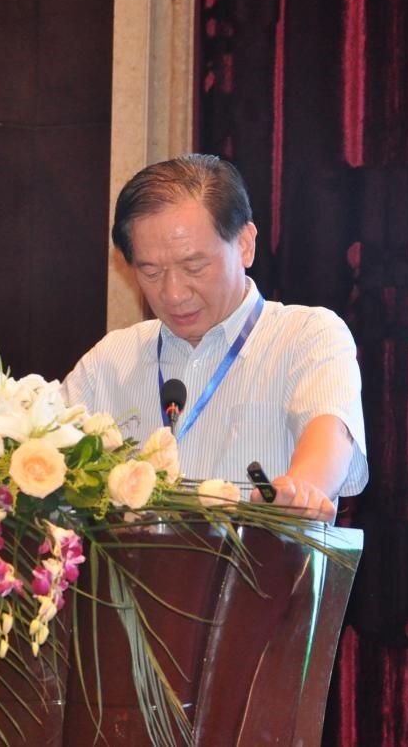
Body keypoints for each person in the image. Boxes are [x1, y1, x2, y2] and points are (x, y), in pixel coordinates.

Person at [62, 154, 367, 520]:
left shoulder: (306, 336)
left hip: (263, 556)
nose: (174, 293)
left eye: (194, 266)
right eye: (151, 272)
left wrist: (303, 490)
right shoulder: (111, 360)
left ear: (245, 244)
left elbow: (330, 432)